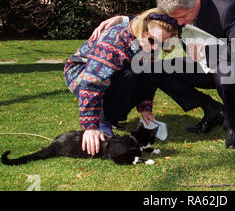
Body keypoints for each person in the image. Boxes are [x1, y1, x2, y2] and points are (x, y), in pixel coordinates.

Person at [91, 0, 235, 149]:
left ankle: (234, 126)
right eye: (174, 18)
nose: (178, 23)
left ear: (196, 2)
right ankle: (212, 109)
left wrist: (205, 51)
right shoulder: (177, 0)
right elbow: (155, 20)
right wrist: (123, 19)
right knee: (160, 68)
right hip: (205, 66)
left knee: (225, 72)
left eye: (182, 17)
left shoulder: (226, 8)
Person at [64, 8, 178, 155]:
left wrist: (146, 108)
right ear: (142, 28)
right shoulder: (113, 42)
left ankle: (112, 115)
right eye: (151, 40)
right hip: (83, 75)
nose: (155, 48)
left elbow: (147, 77)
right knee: (128, 74)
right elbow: (92, 83)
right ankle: (103, 119)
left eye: (162, 44)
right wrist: (90, 126)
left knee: (154, 70)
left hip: (116, 74)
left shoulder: (148, 41)